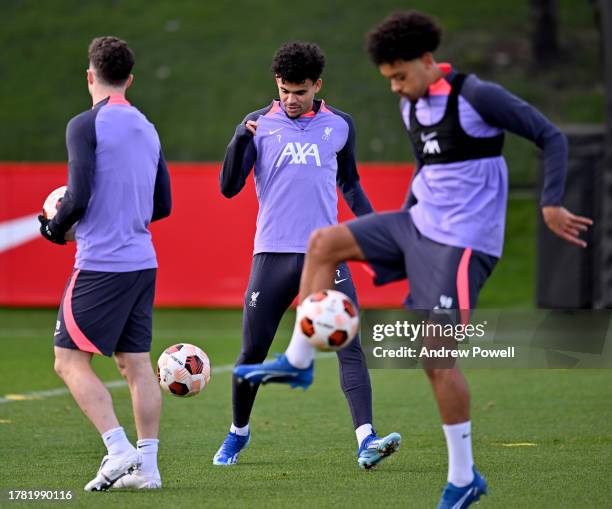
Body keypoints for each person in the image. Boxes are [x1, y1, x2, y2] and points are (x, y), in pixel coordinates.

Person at [236, 12, 593, 509]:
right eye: (388, 79)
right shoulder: (411, 108)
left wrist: (551, 202)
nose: (395, 89)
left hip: (465, 242)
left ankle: (464, 476)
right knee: (324, 242)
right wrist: (398, 238)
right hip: (419, 226)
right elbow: (431, 178)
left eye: (400, 77)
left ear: (428, 62)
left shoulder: (476, 97)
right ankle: (298, 360)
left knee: (435, 358)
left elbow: (549, 137)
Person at [215, 41, 401, 469]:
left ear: (317, 85)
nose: (291, 99)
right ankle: (237, 434)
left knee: (350, 345)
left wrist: (376, 234)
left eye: (300, 91)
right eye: (284, 90)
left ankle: (365, 439)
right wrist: (238, 140)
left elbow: (350, 186)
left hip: (326, 256)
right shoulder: (258, 124)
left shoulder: (340, 125)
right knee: (252, 352)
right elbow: (228, 188)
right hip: (273, 257)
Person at [38, 36, 172, 491]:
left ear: (90, 75)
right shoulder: (148, 127)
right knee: (136, 364)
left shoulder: (84, 124)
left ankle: (118, 449)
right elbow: (164, 204)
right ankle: (148, 471)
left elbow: (76, 196)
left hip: (101, 264)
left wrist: (54, 229)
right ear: (129, 79)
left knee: (67, 360)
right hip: (142, 262)